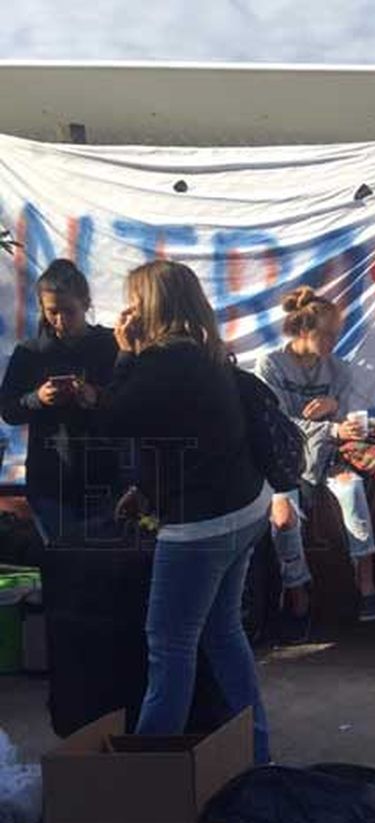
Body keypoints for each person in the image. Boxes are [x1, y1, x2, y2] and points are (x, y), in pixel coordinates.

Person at [102, 260, 272, 763]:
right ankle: (258, 753)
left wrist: (123, 353)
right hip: (243, 507)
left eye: (134, 301)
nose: (127, 312)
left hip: (202, 526)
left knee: (170, 647)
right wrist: (149, 491)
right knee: (223, 634)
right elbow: (186, 442)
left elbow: (114, 418)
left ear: (151, 307)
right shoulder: (206, 353)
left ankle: (150, 778)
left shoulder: (160, 362)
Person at [255, 288, 375, 640]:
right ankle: (298, 595)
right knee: (285, 518)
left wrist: (334, 411)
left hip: (327, 457)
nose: (332, 341)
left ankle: (366, 583)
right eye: (325, 333)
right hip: (286, 465)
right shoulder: (271, 366)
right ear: (302, 330)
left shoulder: (339, 369)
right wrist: (328, 422)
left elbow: (348, 423)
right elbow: (277, 425)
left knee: (352, 489)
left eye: (336, 334)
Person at [0, 259, 120, 544]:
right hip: (50, 481)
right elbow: (8, 410)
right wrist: (37, 399)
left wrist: (96, 397)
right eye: (53, 312)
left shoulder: (109, 345)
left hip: (102, 476)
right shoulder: (30, 353)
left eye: (69, 311)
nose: (61, 321)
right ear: (42, 308)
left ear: (86, 304)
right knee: (62, 567)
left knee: (100, 568)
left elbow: (130, 403)